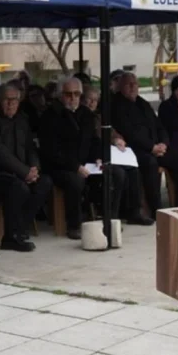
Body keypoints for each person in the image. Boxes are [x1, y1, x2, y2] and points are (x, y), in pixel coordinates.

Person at [41, 78, 126, 239]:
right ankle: (74, 225)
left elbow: (94, 140)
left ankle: (110, 218)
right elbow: (51, 151)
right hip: (60, 167)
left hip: (86, 163)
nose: (73, 98)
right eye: (68, 94)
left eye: (77, 94)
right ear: (60, 95)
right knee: (76, 181)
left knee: (117, 173)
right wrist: (75, 166)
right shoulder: (50, 116)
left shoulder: (86, 113)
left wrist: (98, 158)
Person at [111, 72, 178, 216]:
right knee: (150, 163)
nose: (132, 87)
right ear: (120, 87)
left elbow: (159, 126)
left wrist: (163, 144)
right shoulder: (116, 105)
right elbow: (129, 132)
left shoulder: (142, 103)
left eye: (134, 84)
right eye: (128, 85)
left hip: (157, 147)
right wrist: (152, 147)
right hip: (136, 149)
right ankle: (157, 209)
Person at [0, 83, 51, 250]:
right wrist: (24, 172)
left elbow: (30, 147)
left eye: (14, 99)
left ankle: (20, 228)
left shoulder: (22, 119)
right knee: (18, 187)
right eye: (7, 100)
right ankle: (10, 236)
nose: (11, 103)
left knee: (44, 182)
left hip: (23, 172)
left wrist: (34, 168)